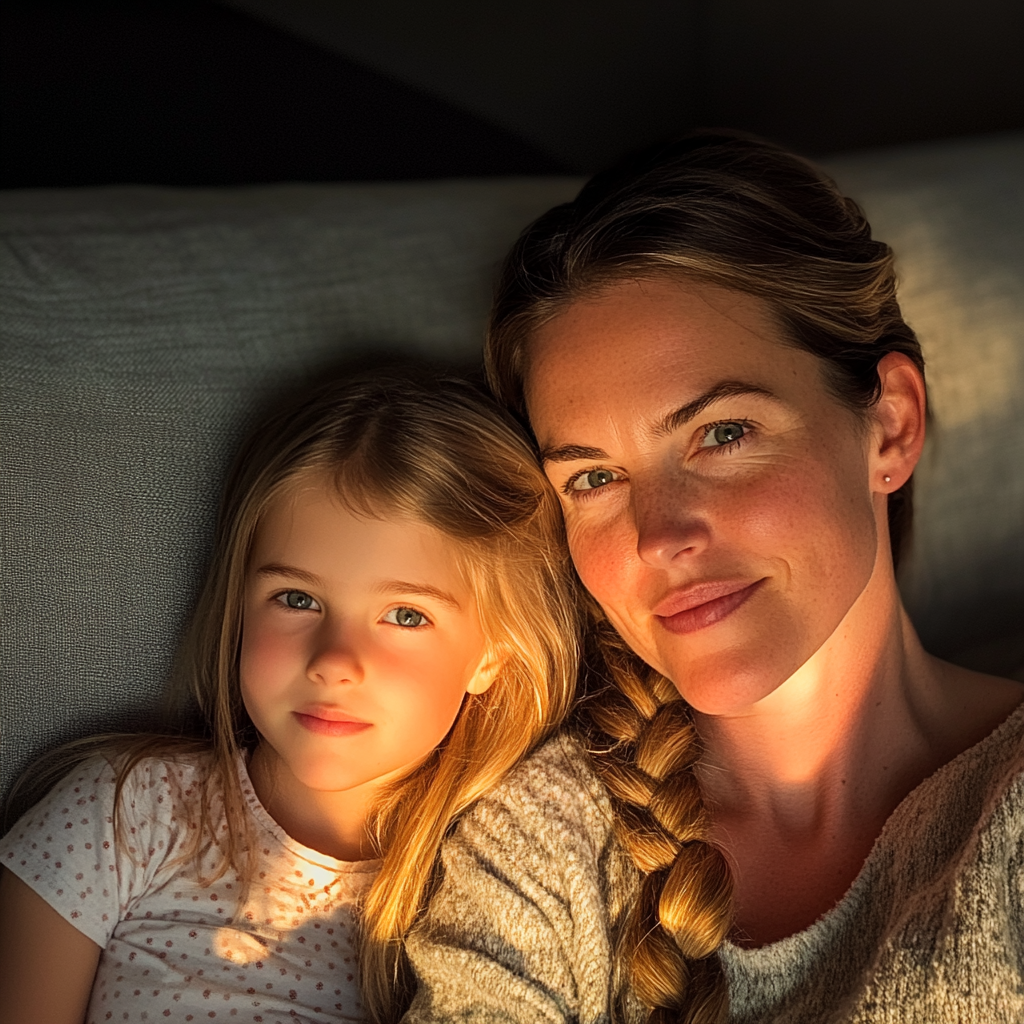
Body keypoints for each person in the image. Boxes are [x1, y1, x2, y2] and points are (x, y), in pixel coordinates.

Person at [401, 133, 1024, 1024]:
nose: (660, 537)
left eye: (721, 434)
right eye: (593, 478)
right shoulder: (544, 840)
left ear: (888, 425)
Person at [0, 373, 579, 1024]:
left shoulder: (492, 890)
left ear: (493, 654)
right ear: (240, 601)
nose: (334, 662)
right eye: (298, 600)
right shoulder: (128, 813)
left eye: (405, 615)